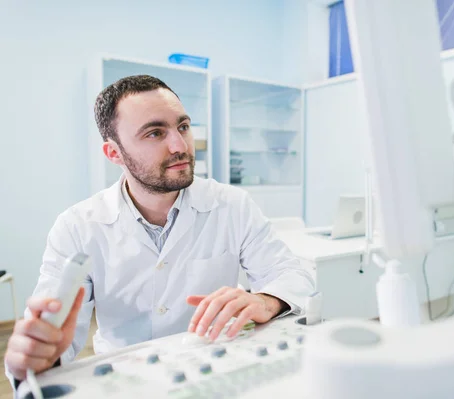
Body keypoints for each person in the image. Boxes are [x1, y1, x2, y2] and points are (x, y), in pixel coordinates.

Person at [4, 75, 315, 386]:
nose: (180, 146)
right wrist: (38, 354)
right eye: (154, 133)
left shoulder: (232, 204)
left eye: (183, 127)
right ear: (114, 153)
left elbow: (292, 276)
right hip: (127, 381)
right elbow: (56, 339)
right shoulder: (77, 227)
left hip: (216, 370)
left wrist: (265, 300)